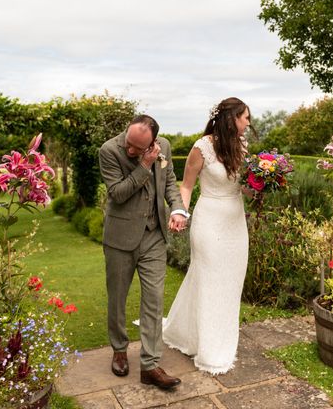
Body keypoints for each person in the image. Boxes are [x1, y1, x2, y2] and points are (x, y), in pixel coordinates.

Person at [99, 114, 189, 389]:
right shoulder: (109, 151)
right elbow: (118, 193)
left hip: (153, 235)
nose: (130, 150)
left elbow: (170, 181)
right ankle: (119, 349)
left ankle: (150, 365)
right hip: (120, 238)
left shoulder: (165, 146)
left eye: (138, 148)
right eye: (129, 143)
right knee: (117, 298)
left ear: (153, 143)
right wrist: (144, 164)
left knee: (154, 300)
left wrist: (177, 209)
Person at [163, 97, 251, 374]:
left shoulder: (242, 147)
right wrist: (180, 212)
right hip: (209, 220)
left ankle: (211, 333)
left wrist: (262, 185)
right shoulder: (202, 147)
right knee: (210, 279)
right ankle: (212, 350)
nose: (249, 123)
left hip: (236, 222)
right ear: (232, 118)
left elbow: (244, 189)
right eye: (245, 117)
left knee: (231, 281)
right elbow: (186, 186)